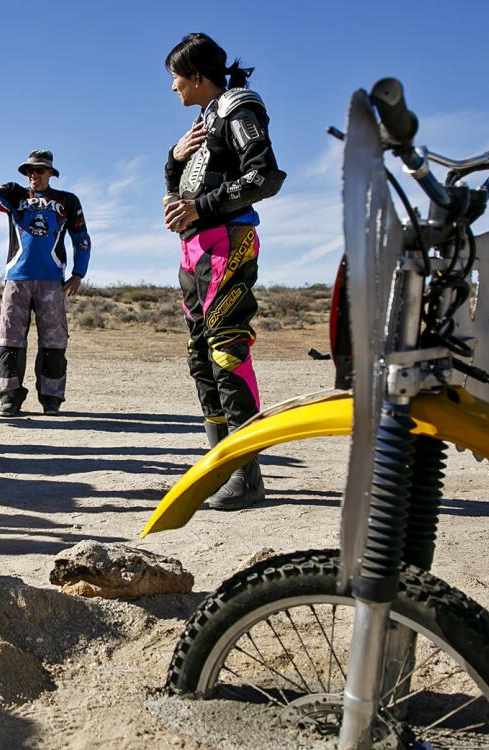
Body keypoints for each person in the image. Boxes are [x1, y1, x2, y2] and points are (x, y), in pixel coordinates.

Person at [163, 32, 285, 510]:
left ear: (196, 76)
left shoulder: (238, 108)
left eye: (176, 77)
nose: (172, 87)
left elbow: (264, 176)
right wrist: (172, 163)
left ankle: (246, 475)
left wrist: (199, 208)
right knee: (200, 353)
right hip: (195, 251)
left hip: (228, 242)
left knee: (225, 349)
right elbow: (185, 187)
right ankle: (220, 463)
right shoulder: (202, 122)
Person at [0, 149, 90, 416]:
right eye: (30, 171)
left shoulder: (67, 200)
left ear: (50, 173)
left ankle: (51, 397)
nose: (34, 175)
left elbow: (81, 238)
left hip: (52, 281)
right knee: (9, 338)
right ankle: (9, 396)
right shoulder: (15, 194)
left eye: (39, 170)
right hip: (17, 278)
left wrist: (78, 273)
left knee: (55, 340)